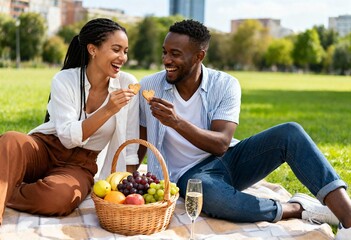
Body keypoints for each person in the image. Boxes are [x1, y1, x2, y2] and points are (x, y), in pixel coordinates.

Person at [137, 19, 351, 239]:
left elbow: (221, 143)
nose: (166, 60)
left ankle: (348, 219)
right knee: (213, 197)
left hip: (230, 158)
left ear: (199, 56)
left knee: (290, 133)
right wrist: (128, 178)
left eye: (175, 54)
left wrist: (176, 121)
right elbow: (140, 140)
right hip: (188, 175)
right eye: (164, 52)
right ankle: (298, 208)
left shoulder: (225, 84)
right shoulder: (149, 87)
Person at [0, 18, 139, 225]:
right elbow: (66, 137)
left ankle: (10, 189)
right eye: (116, 49)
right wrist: (108, 109)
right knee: (10, 140)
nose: (123, 57)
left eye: (125, 51)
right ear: (93, 49)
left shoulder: (128, 84)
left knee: (56, 199)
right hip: (45, 148)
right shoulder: (65, 80)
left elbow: (130, 139)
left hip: (79, 165)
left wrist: (130, 187)